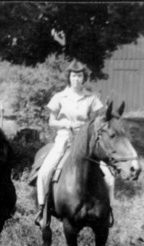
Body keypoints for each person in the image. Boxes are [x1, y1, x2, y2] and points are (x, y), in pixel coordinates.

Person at [35, 59, 111, 225]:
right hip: (64, 138)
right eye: (73, 76)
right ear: (68, 77)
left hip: (86, 141)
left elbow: (100, 119)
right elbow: (51, 121)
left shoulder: (91, 98)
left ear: (84, 78)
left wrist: (88, 128)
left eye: (80, 76)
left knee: (109, 176)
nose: (76, 79)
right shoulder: (59, 97)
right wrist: (66, 124)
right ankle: (43, 210)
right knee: (45, 172)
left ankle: (108, 212)